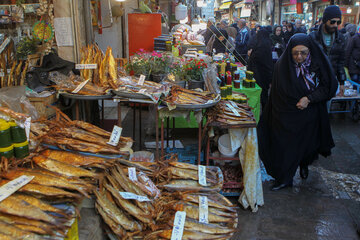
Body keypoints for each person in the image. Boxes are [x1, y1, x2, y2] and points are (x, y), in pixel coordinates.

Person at [258, 34, 338, 191]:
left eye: (303, 53)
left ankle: (304, 163)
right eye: (295, 53)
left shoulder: (318, 63)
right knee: (285, 146)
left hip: (311, 112)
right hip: (287, 113)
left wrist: (309, 98)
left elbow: (328, 87)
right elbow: (277, 93)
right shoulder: (283, 65)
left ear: (310, 51)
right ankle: (285, 178)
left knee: (307, 144)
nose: (299, 57)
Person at [309, 5, 346, 96]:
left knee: (326, 108)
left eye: (338, 22)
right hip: (314, 80)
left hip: (330, 81)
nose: (335, 25)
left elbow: (340, 62)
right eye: (332, 22)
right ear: (325, 20)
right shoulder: (312, 37)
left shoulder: (340, 38)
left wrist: (342, 82)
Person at [247, 26, 273, 110]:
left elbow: (256, 57)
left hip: (260, 73)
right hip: (264, 72)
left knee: (262, 94)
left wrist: (251, 55)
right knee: (263, 93)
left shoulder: (262, 45)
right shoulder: (266, 43)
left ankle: (264, 112)